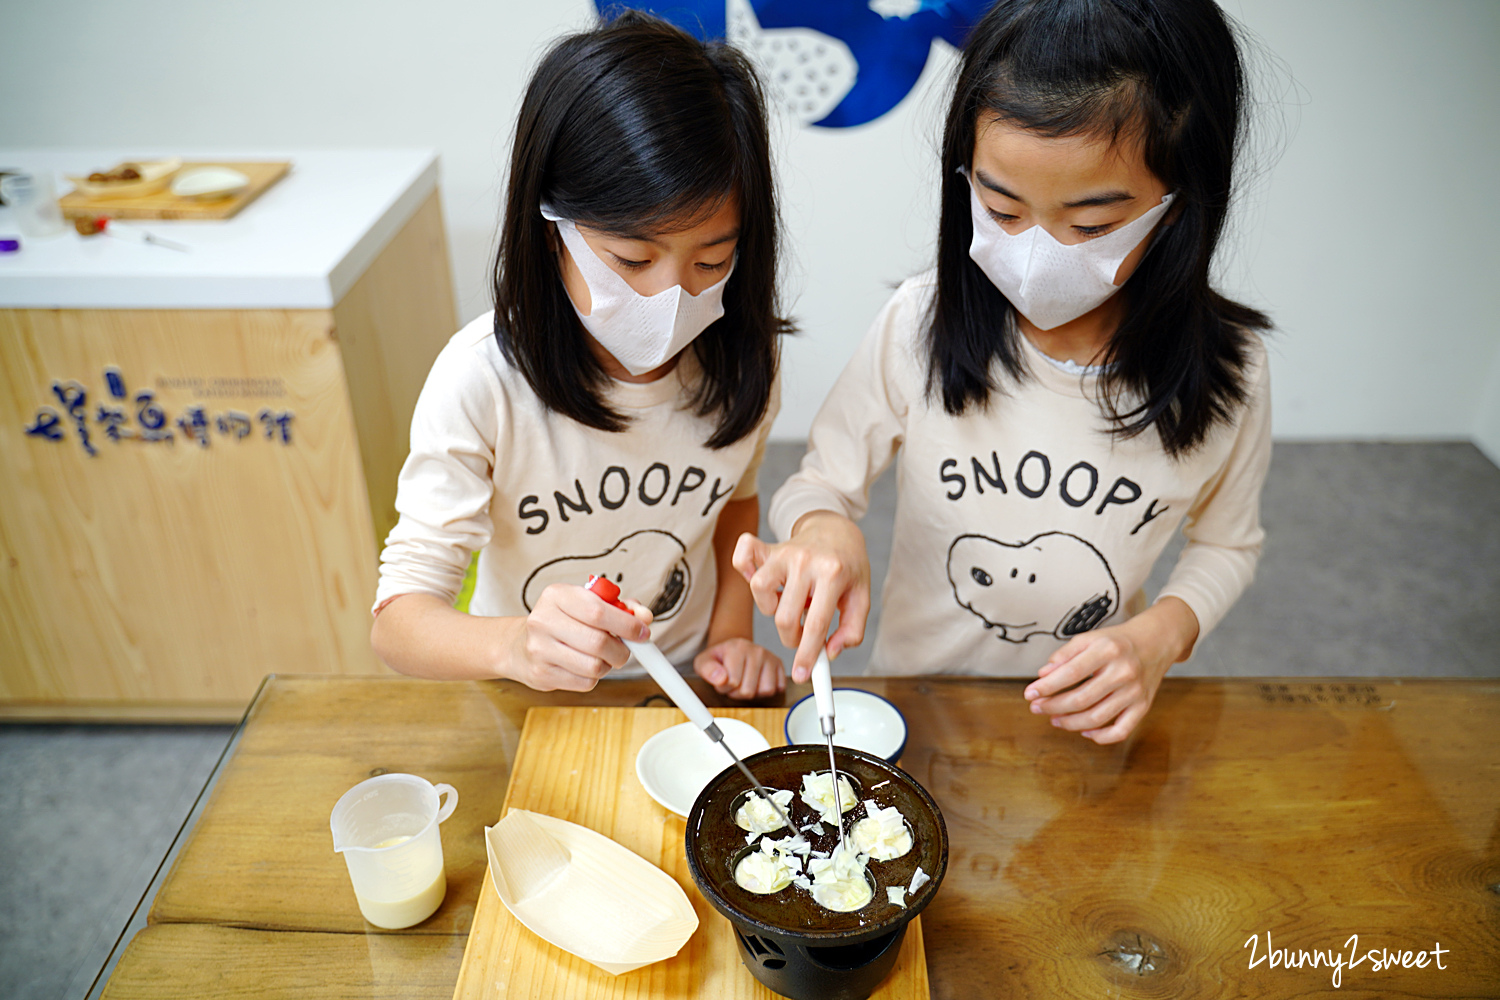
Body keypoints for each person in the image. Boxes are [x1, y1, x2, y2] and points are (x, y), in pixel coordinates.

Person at [737, 0, 1272, 743]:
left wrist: (1158, 639)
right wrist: (824, 532)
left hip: (1087, 723)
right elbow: (820, 483)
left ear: (1181, 205)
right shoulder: (921, 322)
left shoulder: (1231, 372)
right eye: (1002, 208)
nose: (1035, 254)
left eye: (1090, 226)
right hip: (917, 704)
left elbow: (1228, 543)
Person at [372, 12, 791, 698]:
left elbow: (734, 503)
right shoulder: (481, 381)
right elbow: (398, 622)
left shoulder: (746, 361)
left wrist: (730, 636)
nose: (672, 296)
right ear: (550, 232)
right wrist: (515, 643)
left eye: (712, 258)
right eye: (632, 259)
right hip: (526, 687)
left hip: (679, 684)